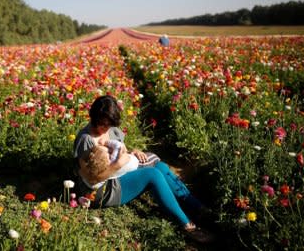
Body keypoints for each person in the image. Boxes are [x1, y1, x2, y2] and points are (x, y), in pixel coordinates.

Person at [73, 95, 214, 243]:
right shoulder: (85, 140)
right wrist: (118, 165)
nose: (106, 128)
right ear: (94, 117)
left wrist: (133, 152)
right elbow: (92, 178)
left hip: (116, 173)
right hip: (100, 191)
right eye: (102, 124)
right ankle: (187, 226)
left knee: (160, 166)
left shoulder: (111, 129)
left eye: (109, 125)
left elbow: (120, 151)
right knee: (152, 175)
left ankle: (198, 208)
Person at [86, 139, 159, 181]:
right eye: (106, 151)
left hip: (132, 162)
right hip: (139, 164)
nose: (107, 149)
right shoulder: (113, 160)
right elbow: (118, 145)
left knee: (161, 168)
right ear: (107, 158)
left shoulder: (103, 167)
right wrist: (105, 143)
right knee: (154, 158)